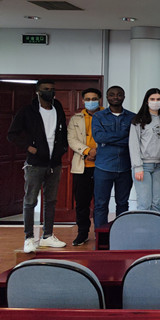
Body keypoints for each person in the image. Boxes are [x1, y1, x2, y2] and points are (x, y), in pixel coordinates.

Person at [7, 78, 68, 253]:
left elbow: (62, 132)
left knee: (51, 200)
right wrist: (29, 147)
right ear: (38, 92)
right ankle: (28, 238)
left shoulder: (58, 108)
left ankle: (47, 236)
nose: (50, 91)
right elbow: (12, 134)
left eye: (52, 89)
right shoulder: (27, 111)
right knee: (30, 200)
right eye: (46, 89)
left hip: (54, 163)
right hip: (35, 164)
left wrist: (63, 148)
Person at [92, 85, 135, 228]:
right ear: (107, 97)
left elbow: (133, 140)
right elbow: (99, 137)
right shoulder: (98, 116)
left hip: (125, 167)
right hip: (103, 167)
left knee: (123, 203)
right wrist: (124, 136)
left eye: (119, 94)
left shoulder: (132, 117)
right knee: (101, 204)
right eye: (112, 94)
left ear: (124, 97)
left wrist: (109, 139)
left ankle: (121, 233)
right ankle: (100, 236)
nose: (115, 97)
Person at [67, 87, 102, 246]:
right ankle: (82, 233)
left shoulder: (106, 115)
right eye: (87, 99)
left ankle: (101, 233)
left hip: (102, 165)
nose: (90, 102)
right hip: (82, 166)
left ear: (99, 99)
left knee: (101, 202)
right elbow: (72, 139)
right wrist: (88, 151)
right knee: (82, 202)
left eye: (94, 99)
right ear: (82, 101)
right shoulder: (76, 119)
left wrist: (97, 151)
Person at [129, 88, 160, 212]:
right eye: (152, 99)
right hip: (143, 166)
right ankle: (142, 225)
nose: (155, 102)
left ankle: (154, 225)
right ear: (147, 101)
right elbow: (133, 145)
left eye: (158, 99)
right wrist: (137, 167)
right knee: (144, 204)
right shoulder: (138, 120)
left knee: (156, 204)